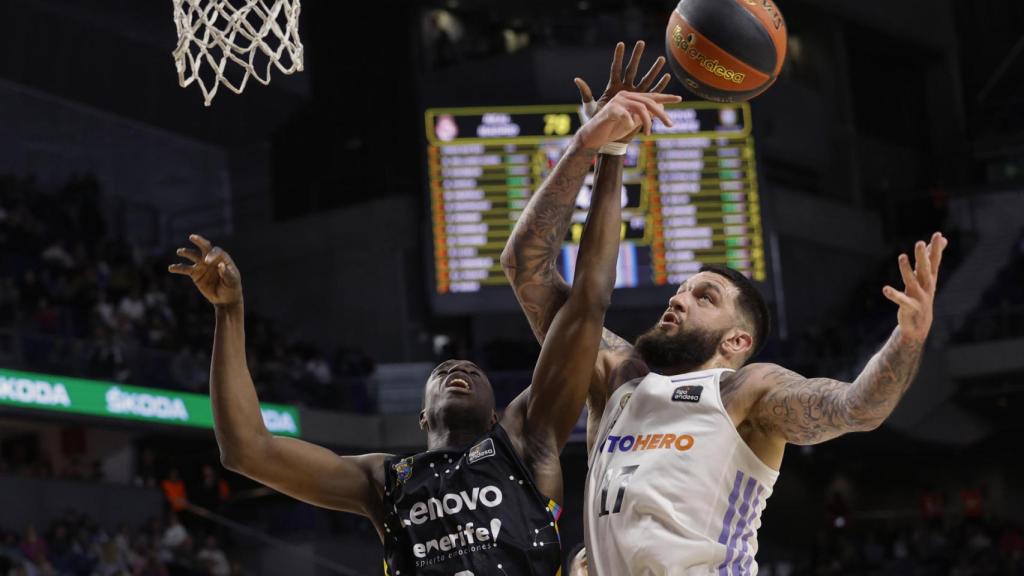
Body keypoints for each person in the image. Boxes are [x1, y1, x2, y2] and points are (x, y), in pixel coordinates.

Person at [167, 86, 678, 574]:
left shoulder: (527, 439)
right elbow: (246, 451)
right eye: (445, 370)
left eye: (470, 370)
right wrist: (229, 312)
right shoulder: (383, 481)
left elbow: (587, 301)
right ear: (421, 416)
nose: (458, 368)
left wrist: (610, 151)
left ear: (497, 411)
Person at [503, 40, 949, 575]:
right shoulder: (614, 377)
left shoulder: (747, 393)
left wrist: (907, 338)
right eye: (682, 289)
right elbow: (525, 268)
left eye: (704, 296)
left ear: (736, 340)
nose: (678, 298)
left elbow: (857, 408)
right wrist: (591, 146)